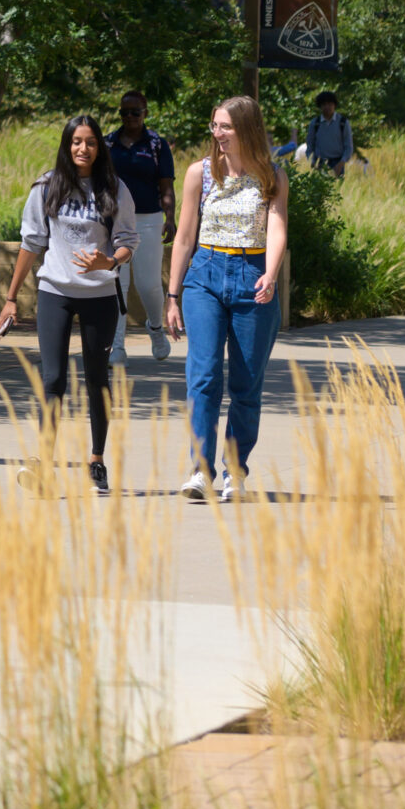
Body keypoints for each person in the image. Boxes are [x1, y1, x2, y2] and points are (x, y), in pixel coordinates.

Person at [0, 116, 139, 496]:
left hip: (100, 296)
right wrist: (11, 299)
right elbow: (31, 243)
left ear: (99, 147)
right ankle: (42, 462)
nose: (83, 149)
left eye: (90, 142)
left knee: (97, 380)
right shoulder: (47, 186)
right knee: (53, 379)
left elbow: (128, 242)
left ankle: (96, 460)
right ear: (67, 145)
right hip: (55, 292)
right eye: (76, 142)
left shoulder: (115, 188)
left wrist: (108, 262)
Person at [165, 96, 290, 504]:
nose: (217, 134)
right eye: (214, 126)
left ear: (247, 129)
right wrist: (172, 293)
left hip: (253, 276)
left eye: (225, 127)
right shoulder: (199, 174)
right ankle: (201, 470)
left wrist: (270, 275)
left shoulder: (272, 177)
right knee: (202, 376)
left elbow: (276, 229)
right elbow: (184, 237)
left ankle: (236, 471)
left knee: (246, 383)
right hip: (205, 276)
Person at [103, 90, 174, 369]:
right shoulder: (109, 143)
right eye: (124, 112)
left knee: (148, 285)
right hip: (115, 222)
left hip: (148, 219)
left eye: (135, 112)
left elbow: (166, 185)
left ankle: (155, 328)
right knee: (117, 283)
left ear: (146, 112)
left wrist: (170, 216)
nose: (129, 117)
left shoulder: (156, 144)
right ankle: (117, 346)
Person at [304, 92, 353, 177]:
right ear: (320, 106)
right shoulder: (315, 123)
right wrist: (312, 161)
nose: (327, 107)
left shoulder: (343, 122)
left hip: (337, 162)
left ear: (334, 105)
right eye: (324, 104)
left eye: (330, 104)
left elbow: (348, 146)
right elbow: (310, 144)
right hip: (319, 163)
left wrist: (341, 164)